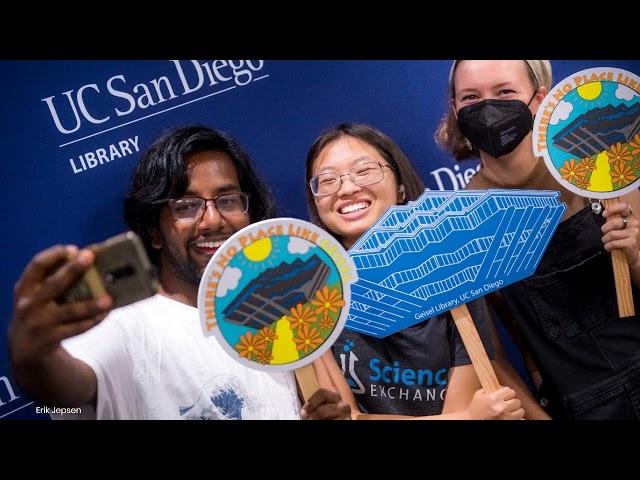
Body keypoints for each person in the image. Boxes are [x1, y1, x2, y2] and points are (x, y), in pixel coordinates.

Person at [9, 125, 350, 420]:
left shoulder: (271, 310)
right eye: (186, 206)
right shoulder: (125, 325)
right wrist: (35, 356)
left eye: (228, 200)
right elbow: (65, 392)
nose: (214, 220)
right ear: (154, 231)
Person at [435, 60, 640, 419]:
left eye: (504, 92)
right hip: (578, 405)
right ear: (455, 108)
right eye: (471, 97)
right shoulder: (463, 222)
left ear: (539, 97)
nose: (488, 108)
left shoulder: (602, 165)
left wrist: (635, 255)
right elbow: (494, 353)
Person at [305, 122, 547, 419]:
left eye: (364, 170)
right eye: (327, 180)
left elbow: (460, 402)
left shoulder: (452, 270)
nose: (347, 188)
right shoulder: (315, 300)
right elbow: (345, 418)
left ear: (400, 186)